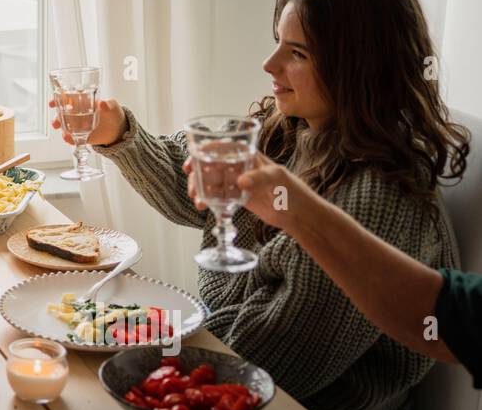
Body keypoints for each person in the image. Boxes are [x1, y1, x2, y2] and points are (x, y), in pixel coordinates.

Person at [54, 0, 468, 410]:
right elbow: (201, 192)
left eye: (297, 53)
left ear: (358, 67)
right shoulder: (297, 129)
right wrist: (119, 132)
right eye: (278, 43)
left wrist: (143, 354)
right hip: (234, 365)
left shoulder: (378, 197)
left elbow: (284, 355)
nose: (269, 64)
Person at [182, 154, 481, 389]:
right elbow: (444, 311)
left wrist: (163, 346)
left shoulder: (379, 192)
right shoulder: (296, 136)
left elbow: (266, 367)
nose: (268, 71)